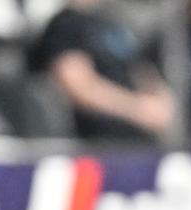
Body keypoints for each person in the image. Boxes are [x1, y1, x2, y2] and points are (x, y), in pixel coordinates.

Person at [26, 0, 173, 145]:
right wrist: (137, 109)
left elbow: (141, 69)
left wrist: (160, 100)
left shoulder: (112, 23)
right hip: (97, 144)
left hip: (139, 143)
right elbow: (76, 85)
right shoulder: (66, 24)